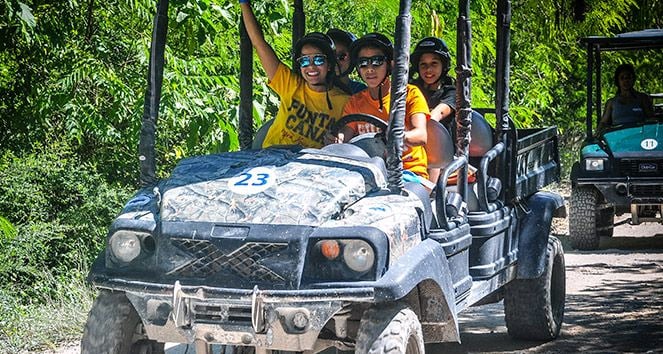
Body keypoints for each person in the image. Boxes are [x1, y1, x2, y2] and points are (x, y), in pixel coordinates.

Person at [240, 1, 350, 148]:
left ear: (329, 64)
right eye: (304, 61)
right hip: (270, 158)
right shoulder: (290, 84)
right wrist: (244, 4)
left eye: (318, 60)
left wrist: (339, 140)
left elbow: (350, 134)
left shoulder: (345, 102)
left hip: (307, 166)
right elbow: (259, 43)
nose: (311, 66)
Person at [335, 32, 430, 181]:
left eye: (377, 61)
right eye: (363, 63)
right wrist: (337, 139)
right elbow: (345, 135)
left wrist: (396, 136)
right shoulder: (355, 102)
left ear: (390, 65)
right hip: (368, 172)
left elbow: (421, 135)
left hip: (408, 172)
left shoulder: (410, 94)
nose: (370, 69)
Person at [410, 36, 456, 129]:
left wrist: (417, 131)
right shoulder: (410, 90)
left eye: (434, 63)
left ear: (443, 66)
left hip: (441, 142)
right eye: (423, 64)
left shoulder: (452, 92)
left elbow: (438, 114)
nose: (428, 69)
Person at [597, 63, 654, 134]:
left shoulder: (642, 98)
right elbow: (603, 123)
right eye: (622, 78)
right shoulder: (612, 102)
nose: (626, 80)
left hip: (638, 136)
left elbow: (651, 119)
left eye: (628, 77)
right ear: (618, 81)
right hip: (618, 138)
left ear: (633, 79)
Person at [326, 29, 367, 94]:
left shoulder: (360, 91)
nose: (336, 61)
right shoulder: (315, 87)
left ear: (353, 59)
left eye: (342, 56)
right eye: (331, 56)